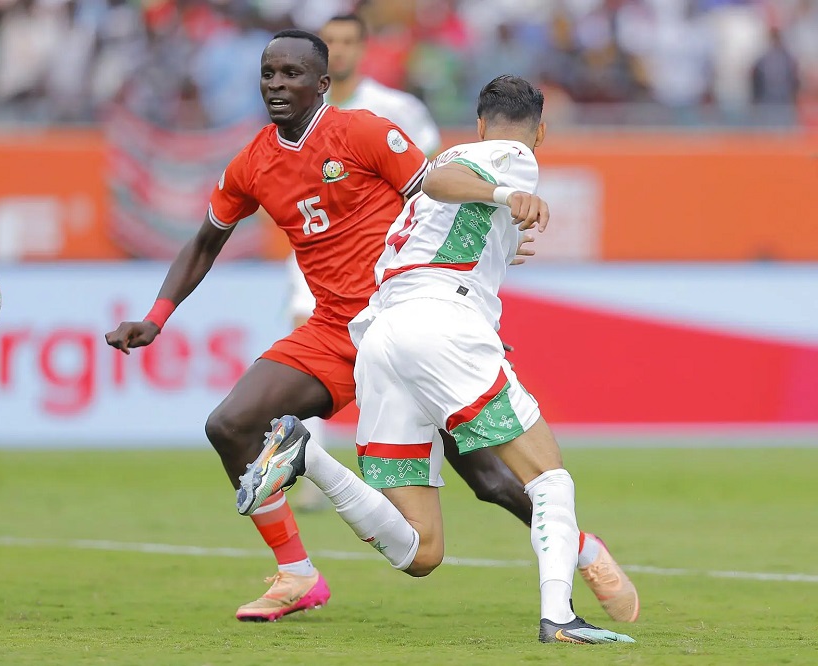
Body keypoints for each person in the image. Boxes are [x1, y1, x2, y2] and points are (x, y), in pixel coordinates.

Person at [106, 32, 636, 625]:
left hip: (402, 315)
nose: (277, 85)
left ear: (322, 84)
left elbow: (435, 198)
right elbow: (206, 242)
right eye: (269, 74)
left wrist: (472, 275)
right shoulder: (251, 162)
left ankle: (583, 550)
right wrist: (156, 317)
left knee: (490, 480)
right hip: (336, 328)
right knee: (229, 425)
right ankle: (296, 572)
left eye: (290, 74)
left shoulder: (362, 132)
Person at [236, 75, 638, 644]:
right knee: (548, 477)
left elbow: (438, 220)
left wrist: (499, 245)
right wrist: (506, 197)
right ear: (540, 132)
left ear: (478, 121)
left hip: (382, 335)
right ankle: (560, 617)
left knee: (420, 550)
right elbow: (448, 181)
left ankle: (308, 456)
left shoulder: (442, 174)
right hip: (441, 325)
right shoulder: (509, 157)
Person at [287, 13, 441, 512]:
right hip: (315, 256)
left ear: (363, 47)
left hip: (383, 259)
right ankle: (312, 468)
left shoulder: (397, 108)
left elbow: (430, 181)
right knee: (306, 355)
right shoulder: (300, 111)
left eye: (348, 41)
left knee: (391, 363)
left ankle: (402, 466)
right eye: (330, 42)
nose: (339, 50)